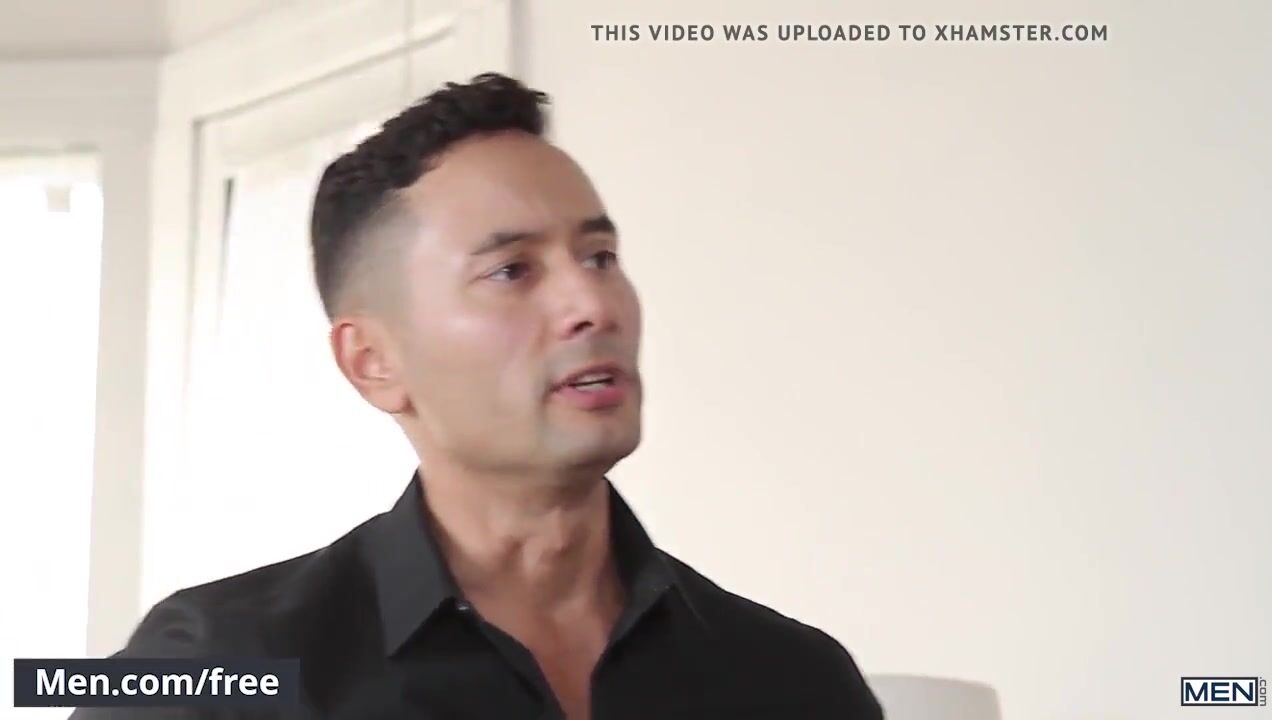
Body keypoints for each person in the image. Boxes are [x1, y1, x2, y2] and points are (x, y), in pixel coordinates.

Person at [74, 73, 884, 719]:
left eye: (599, 257)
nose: (591, 304)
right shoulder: (206, 665)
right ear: (372, 362)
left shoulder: (798, 680)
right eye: (512, 271)